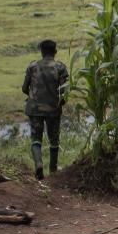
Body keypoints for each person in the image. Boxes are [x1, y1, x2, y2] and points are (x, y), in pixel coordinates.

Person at [22, 39, 68, 180]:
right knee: (54, 140)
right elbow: (64, 92)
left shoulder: (33, 66)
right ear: (55, 52)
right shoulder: (60, 67)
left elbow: (24, 88)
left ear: (41, 52)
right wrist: (61, 102)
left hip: (34, 108)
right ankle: (53, 171)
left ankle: (38, 164)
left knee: (36, 138)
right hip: (53, 109)